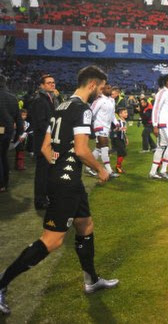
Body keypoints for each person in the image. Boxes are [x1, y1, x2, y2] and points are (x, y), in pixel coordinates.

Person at [0, 66, 117, 317]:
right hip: (67, 184)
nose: (102, 92)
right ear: (93, 84)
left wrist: (59, 165)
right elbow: (83, 150)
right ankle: (1, 283)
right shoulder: (82, 109)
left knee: (86, 226)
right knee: (51, 241)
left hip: (64, 179)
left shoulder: (61, 106)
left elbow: (45, 147)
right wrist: (101, 169)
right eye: (102, 87)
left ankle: (91, 280)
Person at [29, 74, 57, 209]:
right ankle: (40, 200)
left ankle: (45, 196)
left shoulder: (49, 98)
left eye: (53, 82)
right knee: (42, 172)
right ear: (42, 85)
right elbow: (41, 123)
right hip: (42, 142)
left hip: (47, 140)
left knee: (47, 171)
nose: (52, 84)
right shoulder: (40, 100)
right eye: (49, 83)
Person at [149, 74, 168, 180]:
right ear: (167, 82)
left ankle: (153, 172)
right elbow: (156, 109)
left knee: (160, 148)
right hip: (162, 125)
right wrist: (155, 125)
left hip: (166, 125)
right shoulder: (162, 93)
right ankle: (163, 170)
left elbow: (167, 112)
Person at [90, 84, 118, 178]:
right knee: (105, 146)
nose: (110, 89)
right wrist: (92, 124)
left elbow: (112, 114)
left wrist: (116, 123)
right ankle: (109, 171)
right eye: (108, 88)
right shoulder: (99, 100)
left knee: (98, 148)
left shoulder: (111, 100)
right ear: (102, 90)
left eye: (110, 88)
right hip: (99, 126)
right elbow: (91, 112)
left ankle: (88, 167)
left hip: (107, 127)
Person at [0, 75, 22, 192]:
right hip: (8, 131)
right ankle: (5, 183)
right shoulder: (12, 97)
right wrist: (19, 133)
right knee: (3, 156)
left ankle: (1, 183)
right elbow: (18, 118)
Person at [111, 107, 129, 174]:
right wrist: (119, 129)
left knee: (121, 153)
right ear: (120, 114)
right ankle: (118, 167)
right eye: (125, 112)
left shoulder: (124, 121)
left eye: (126, 112)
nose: (127, 114)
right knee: (123, 153)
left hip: (122, 139)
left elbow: (124, 131)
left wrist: (126, 138)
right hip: (117, 139)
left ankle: (118, 167)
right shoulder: (118, 122)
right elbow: (113, 130)